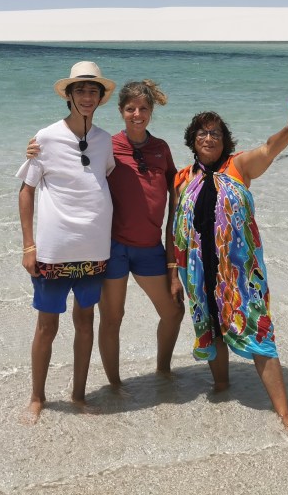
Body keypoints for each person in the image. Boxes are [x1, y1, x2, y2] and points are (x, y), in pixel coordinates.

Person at [170, 98, 288, 440]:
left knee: (261, 337)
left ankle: (285, 414)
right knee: (212, 332)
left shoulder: (238, 166)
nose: (208, 138)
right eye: (202, 132)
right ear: (193, 139)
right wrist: (174, 271)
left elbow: (268, 149)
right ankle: (221, 388)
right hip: (199, 273)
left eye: (215, 133)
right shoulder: (182, 178)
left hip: (239, 276)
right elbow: (173, 227)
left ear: (224, 140)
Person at [28, 80, 184, 386]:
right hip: (111, 248)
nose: (137, 114)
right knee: (112, 319)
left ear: (151, 112)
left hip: (150, 247)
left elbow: (176, 190)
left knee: (174, 311)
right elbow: (72, 160)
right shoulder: (106, 144)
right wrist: (36, 149)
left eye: (143, 109)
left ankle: (163, 370)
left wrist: (175, 253)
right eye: (130, 108)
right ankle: (115, 385)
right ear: (120, 111)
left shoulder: (161, 148)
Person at [16, 61, 117, 423]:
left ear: (101, 98)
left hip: (94, 249)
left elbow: (101, 180)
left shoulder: (106, 140)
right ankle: (37, 397)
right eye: (81, 91)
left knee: (86, 322)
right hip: (54, 250)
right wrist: (29, 246)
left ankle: (78, 395)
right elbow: (26, 192)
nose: (87, 97)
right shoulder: (44, 137)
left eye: (93, 91)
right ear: (69, 96)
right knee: (47, 325)